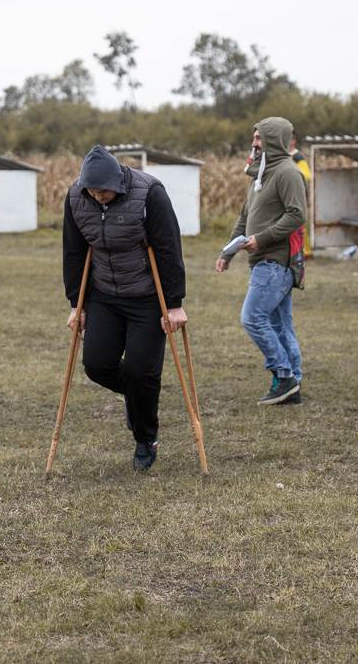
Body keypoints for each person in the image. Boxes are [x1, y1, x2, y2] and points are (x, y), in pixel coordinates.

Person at [63, 145, 187, 470]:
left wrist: (173, 305)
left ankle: (146, 439)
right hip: (104, 295)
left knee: (139, 370)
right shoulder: (76, 198)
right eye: (91, 190)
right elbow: (74, 252)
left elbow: (168, 247)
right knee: (97, 365)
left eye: (103, 190)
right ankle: (138, 397)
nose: (98, 196)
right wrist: (77, 303)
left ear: (117, 182)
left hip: (147, 297)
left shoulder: (149, 193)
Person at [216, 117, 306, 405]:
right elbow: (245, 217)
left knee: (252, 317)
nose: (254, 143)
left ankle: (285, 376)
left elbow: (296, 214)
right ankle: (293, 382)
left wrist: (262, 239)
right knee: (280, 325)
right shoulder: (260, 175)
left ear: (274, 140)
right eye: (254, 138)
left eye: (259, 138)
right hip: (261, 261)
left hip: (276, 261)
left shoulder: (288, 173)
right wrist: (227, 252)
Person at [289, 132, 313, 258]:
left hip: (299, 196)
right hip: (289, 196)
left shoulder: (297, 157)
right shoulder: (287, 156)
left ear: (293, 141)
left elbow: (307, 175)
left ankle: (307, 252)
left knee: (300, 225)